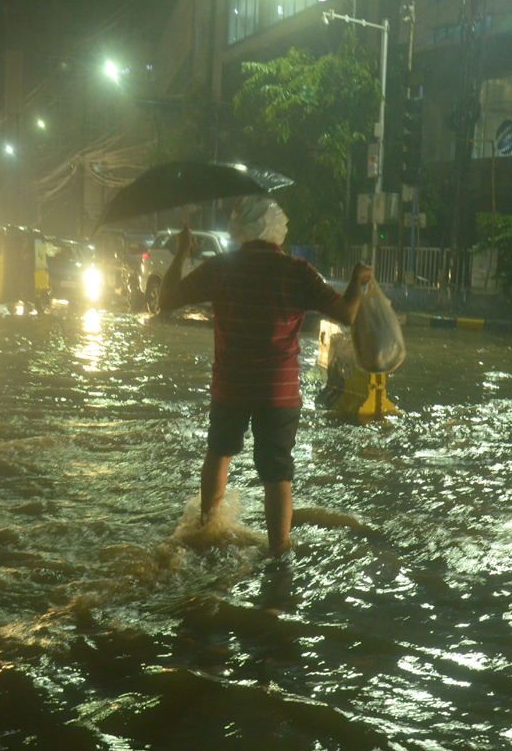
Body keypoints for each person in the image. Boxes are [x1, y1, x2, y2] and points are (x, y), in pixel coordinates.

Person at [158, 195, 372, 554]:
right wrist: (357, 279)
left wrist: (181, 251)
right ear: (276, 231)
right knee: (277, 477)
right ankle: (278, 552)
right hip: (279, 392)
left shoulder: (220, 268)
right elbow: (347, 314)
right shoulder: (297, 271)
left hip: (230, 387)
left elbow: (165, 299)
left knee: (219, 452)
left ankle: (206, 529)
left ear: (241, 230)